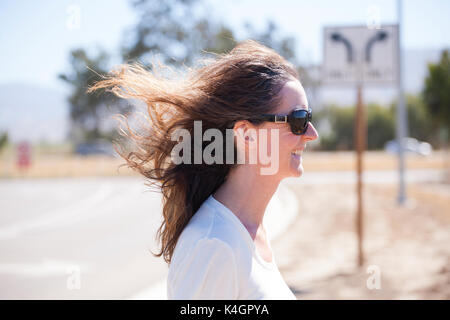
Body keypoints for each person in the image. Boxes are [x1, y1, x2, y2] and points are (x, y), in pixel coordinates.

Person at [88, 39, 319, 299]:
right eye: (298, 120)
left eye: (309, 118)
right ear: (246, 135)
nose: (312, 133)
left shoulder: (249, 232)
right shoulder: (214, 246)